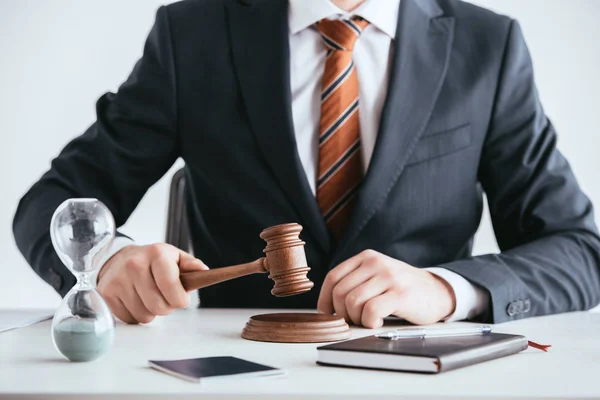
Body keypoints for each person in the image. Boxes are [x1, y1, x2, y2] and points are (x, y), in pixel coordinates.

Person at [13, 0, 600, 328]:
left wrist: (448, 291)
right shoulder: (193, 34)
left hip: (423, 381)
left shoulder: (486, 46)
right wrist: (105, 261)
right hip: (232, 379)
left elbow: (578, 250)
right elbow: (52, 201)